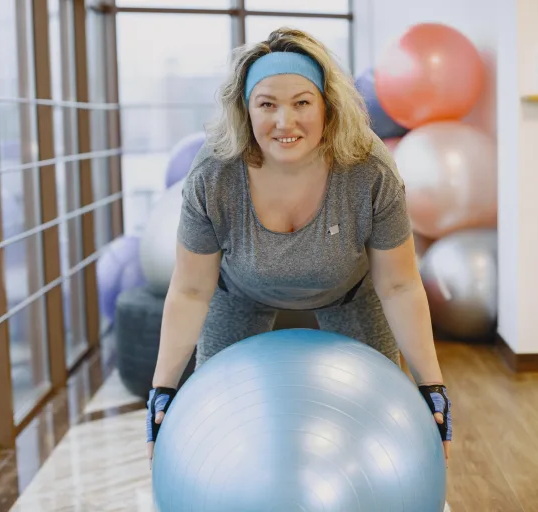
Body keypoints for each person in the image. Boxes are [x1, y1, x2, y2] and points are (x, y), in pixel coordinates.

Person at [145, 28, 452, 466]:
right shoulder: (215, 173)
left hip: (350, 292)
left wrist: (432, 389)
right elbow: (191, 290)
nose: (284, 122)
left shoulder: (368, 169)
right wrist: (163, 394)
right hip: (240, 294)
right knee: (223, 423)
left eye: (302, 103)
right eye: (267, 104)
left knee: (374, 420)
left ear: (327, 107)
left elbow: (400, 285)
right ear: (245, 110)